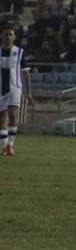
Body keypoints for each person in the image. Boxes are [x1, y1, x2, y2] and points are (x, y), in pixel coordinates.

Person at [0, 26, 33, 155]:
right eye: (6, 34)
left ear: (14, 37)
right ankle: (3, 146)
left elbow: (25, 73)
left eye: (10, 34)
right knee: (2, 118)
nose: (8, 37)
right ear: (1, 36)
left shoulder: (20, 52)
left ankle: (10, 145)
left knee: (13, 114)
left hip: (15, 87)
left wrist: (28, 92)